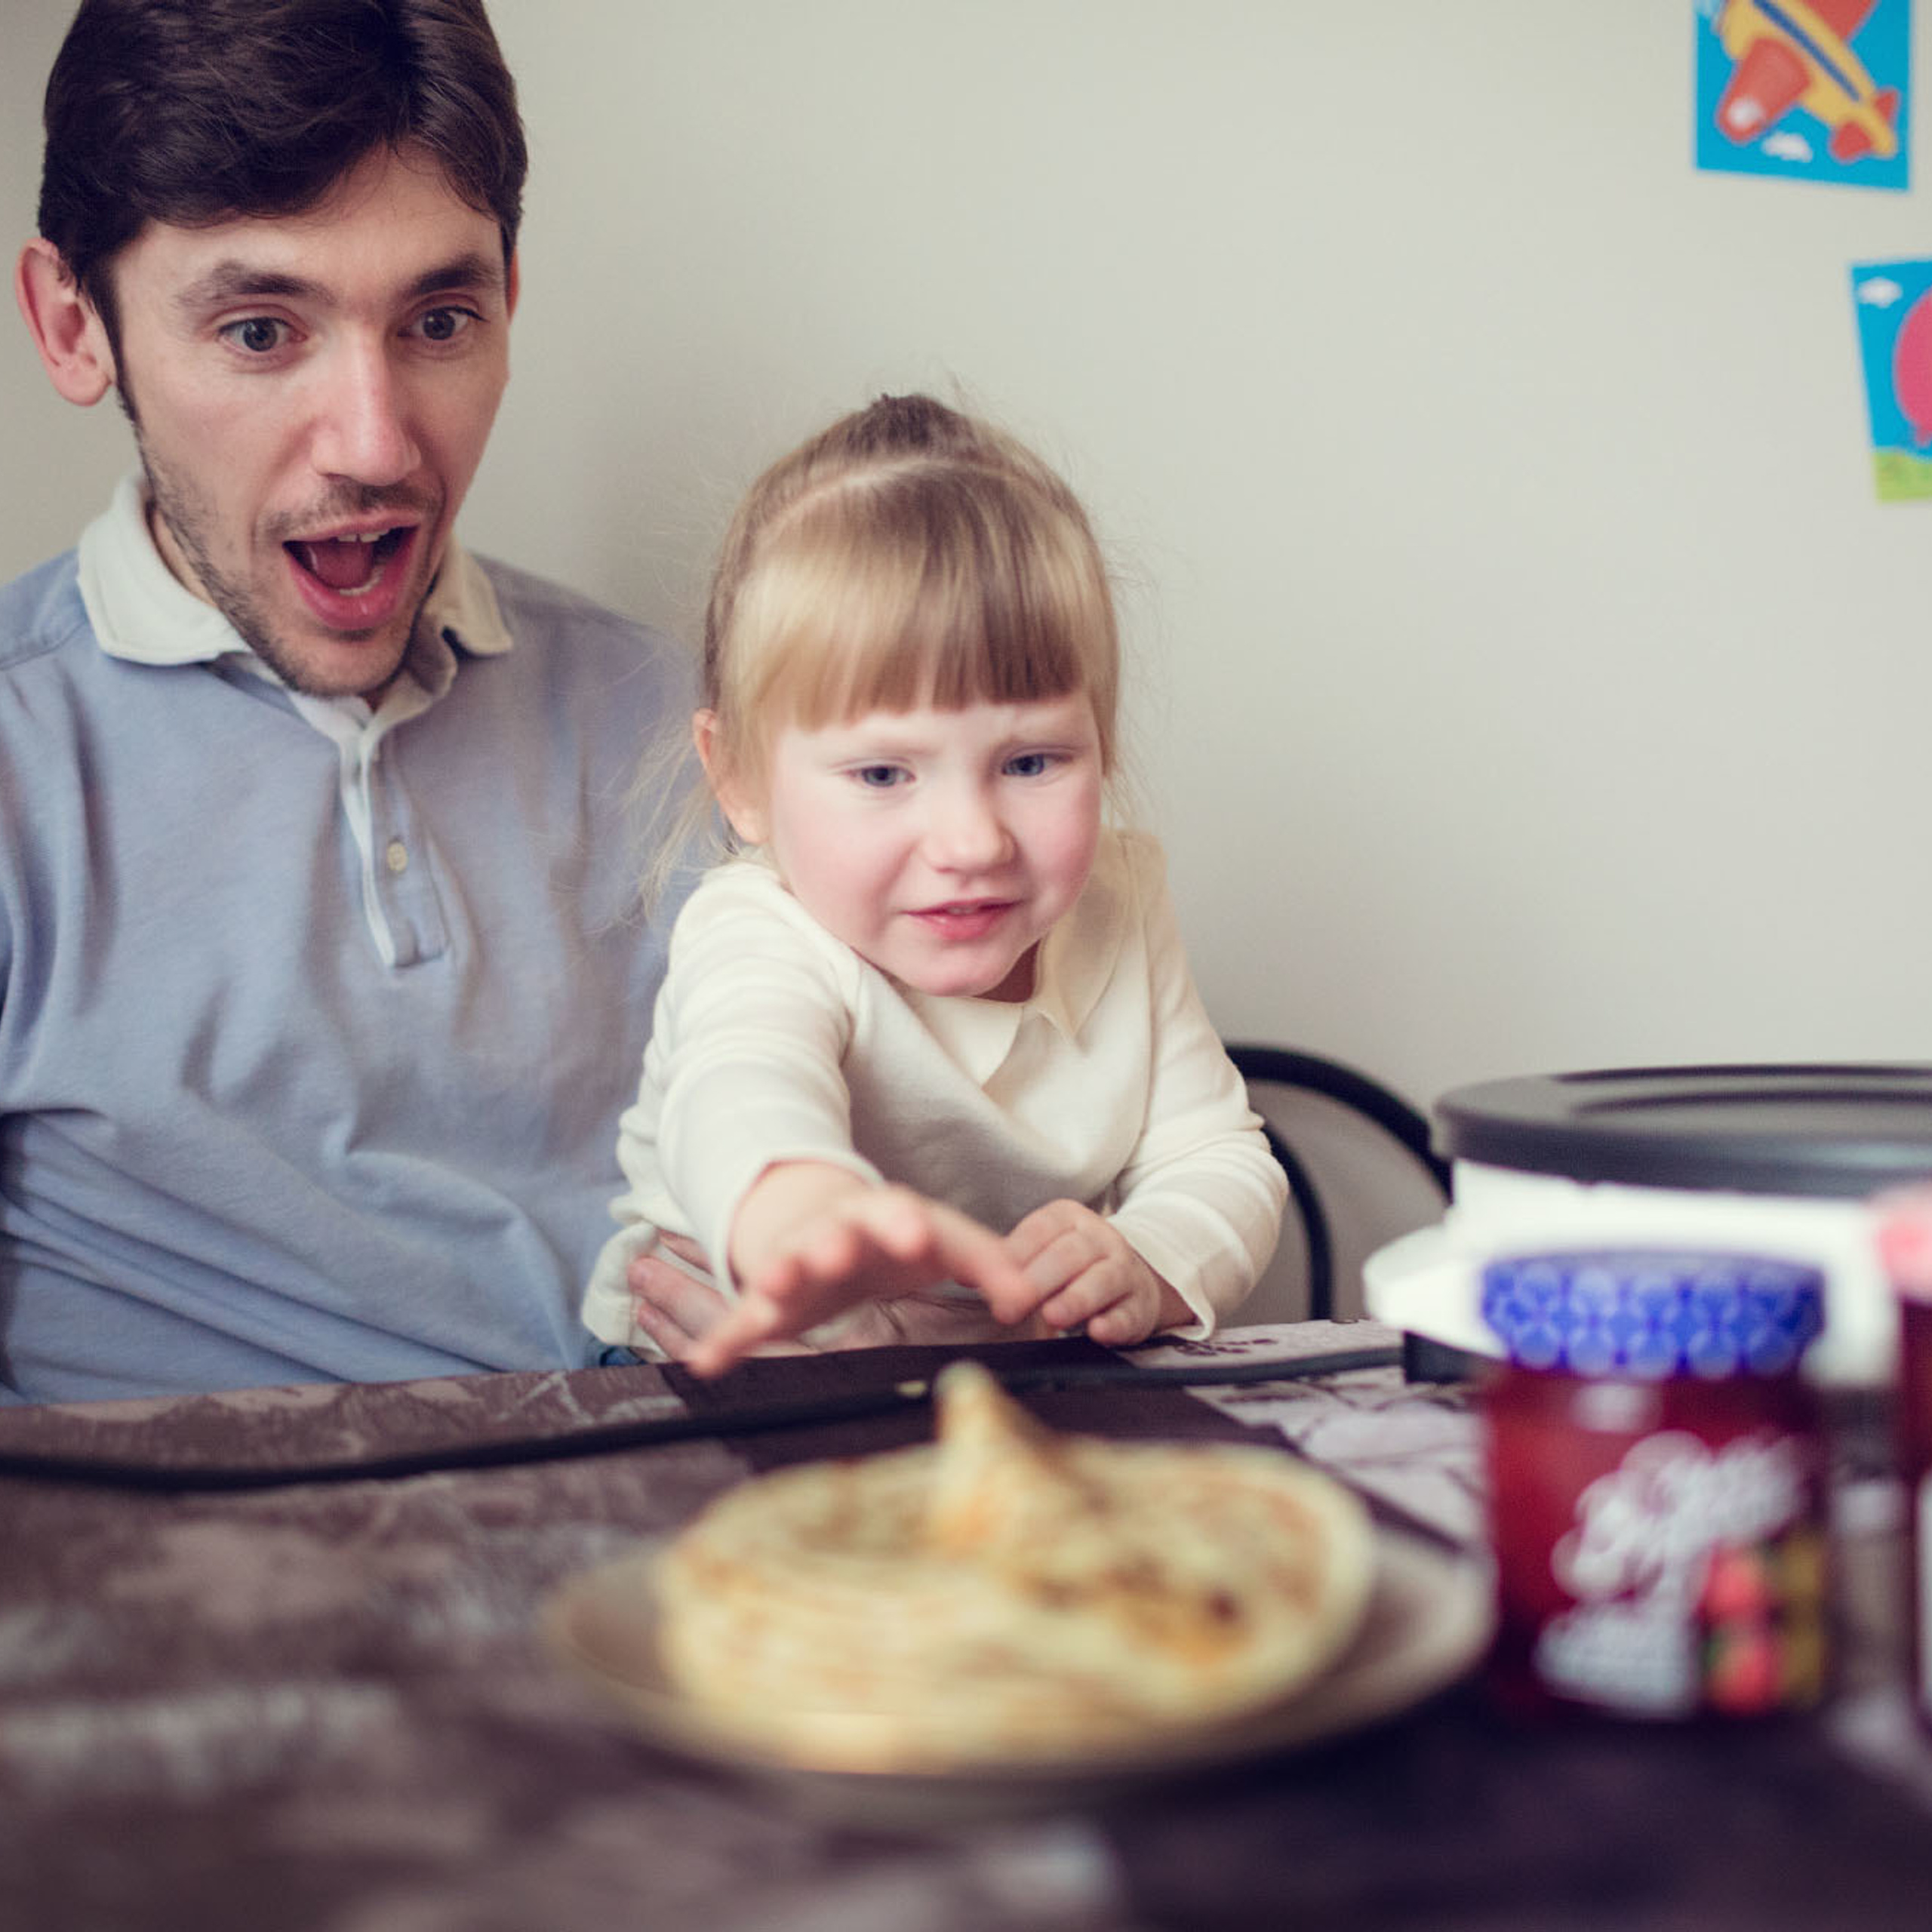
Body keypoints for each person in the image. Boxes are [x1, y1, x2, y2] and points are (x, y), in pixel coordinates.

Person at [0, 0, 695, 1404]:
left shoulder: (681, 720)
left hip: (667, 1546)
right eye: (262, 331)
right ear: (77, 328)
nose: (377, 444)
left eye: (440, 319)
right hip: (182, 1585)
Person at [581, 393, 1287, 1377]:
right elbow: (740, 1083)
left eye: (1033, 762)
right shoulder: (759, 927)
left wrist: (1151, 1257)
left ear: (1103, 743)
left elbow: (1217, 1156)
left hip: (993, 1375)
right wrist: (807, 1217)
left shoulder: (1121, 905)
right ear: (738, 778)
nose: (970, 841)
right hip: (723, 1366)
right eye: (883, 775)